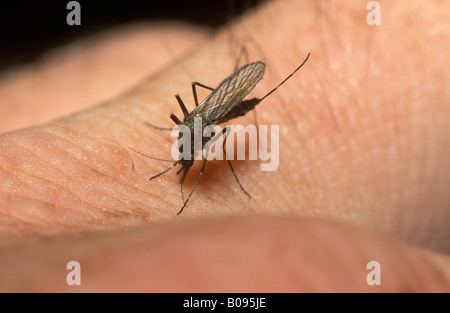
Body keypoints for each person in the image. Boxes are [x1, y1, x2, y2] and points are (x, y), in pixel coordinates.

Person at [0, 1, 449, 291]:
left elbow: (211, 140)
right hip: (207, 111)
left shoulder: (198, 136)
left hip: (218, 108)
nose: (184, 157)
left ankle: (281, 79)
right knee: (203, 120)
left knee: (226, 122)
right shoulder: (189, 137)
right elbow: (191, 143)